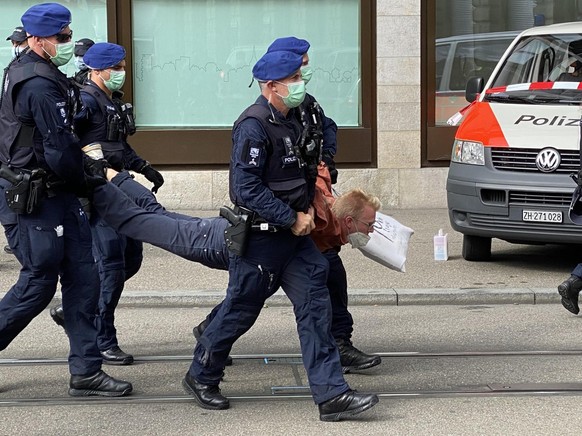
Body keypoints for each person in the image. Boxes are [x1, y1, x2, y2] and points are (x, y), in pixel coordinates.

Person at [181, 49, 378, 421]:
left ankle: (332, 394)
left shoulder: (292, 119)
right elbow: (245, 189)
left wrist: (311, 203)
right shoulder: (253, 125)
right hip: (262, 239)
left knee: (316, 308)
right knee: (240, 311)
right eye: (293, 80)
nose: (300, 84)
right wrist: (290, 217)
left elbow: (308, 160)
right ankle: (201, 374)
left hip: (296, 239)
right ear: (272, 86)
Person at [0, 2, 131, 397]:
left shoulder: (39, 71)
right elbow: (58, 148)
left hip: (55, 193)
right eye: (61, 38)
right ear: (38, 40)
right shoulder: (37, 82)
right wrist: (90, 181)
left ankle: (87, 370)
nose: (67, 43)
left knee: (84, 279)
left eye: (69, 36)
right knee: (38, 282)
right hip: (35, 199)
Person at [49, 42, 164, 365]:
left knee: (132, 258)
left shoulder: (109, 101)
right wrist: (92, 173)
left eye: (123, 67)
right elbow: (70, 142)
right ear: (96, 71)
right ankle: (102, 338)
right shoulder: (85, 100)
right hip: (97, 192)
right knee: (111, 264)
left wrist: (143, 167)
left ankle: (75, 307)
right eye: (116, 68)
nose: (121, 73)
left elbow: (117, 146)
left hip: (116, 186)